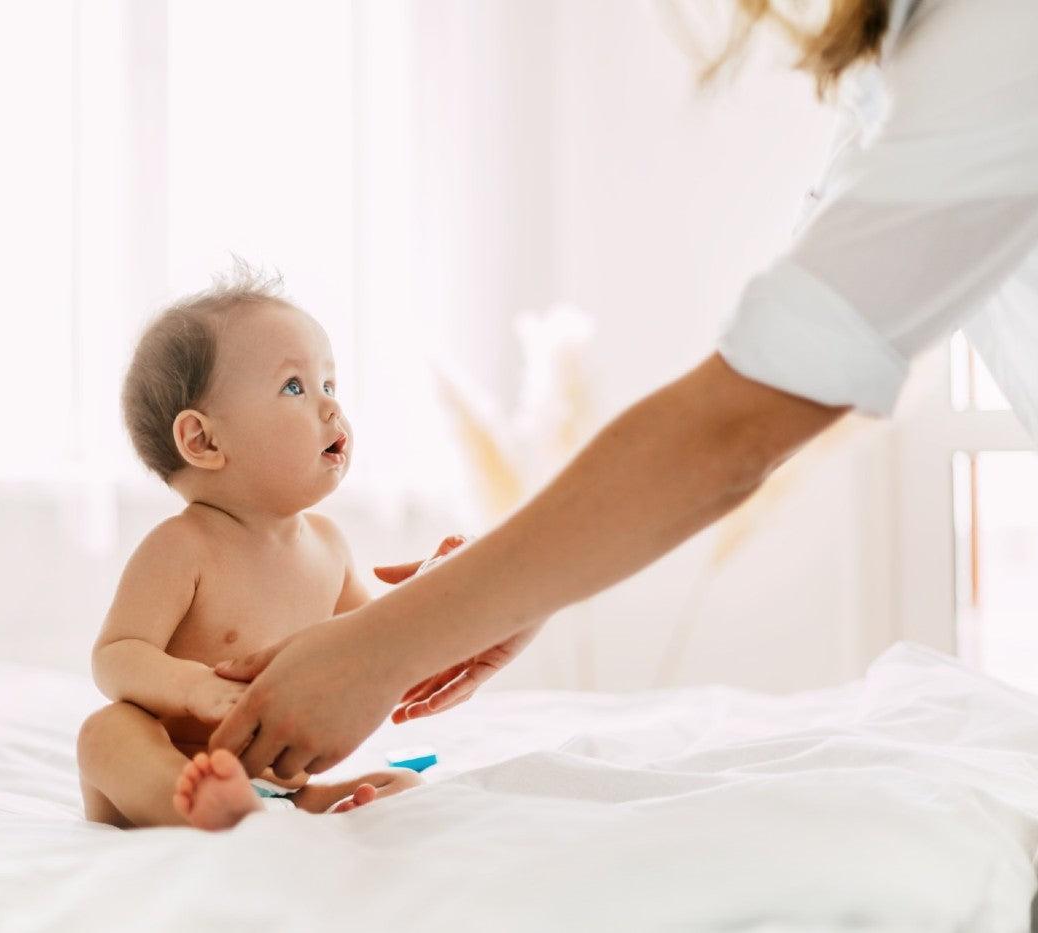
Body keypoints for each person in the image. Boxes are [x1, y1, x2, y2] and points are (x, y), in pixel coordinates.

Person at [208, 0, 1038, 782]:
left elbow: (744, 419)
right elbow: (768, 380)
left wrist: (387, 643)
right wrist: (491, 598)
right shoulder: (913, 60)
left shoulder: (993, 34)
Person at [76, 267, 422, 830]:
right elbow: (115, 656)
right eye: (295, 387)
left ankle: (257, 815)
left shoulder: (329, 548)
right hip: (175, 766)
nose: (331, 409)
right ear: (204, 440)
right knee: (105, 733)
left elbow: (376, 642)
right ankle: (194, 804)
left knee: (403, 783)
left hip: (279, 790)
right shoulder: (182, 547)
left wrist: (434, 595)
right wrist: (192, 688)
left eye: (329, 386)